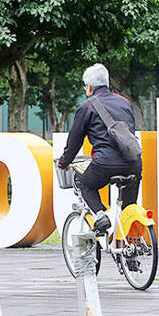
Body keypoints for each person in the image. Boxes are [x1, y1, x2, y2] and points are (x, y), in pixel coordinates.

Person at [57, 64, 142, 234]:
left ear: (89, 87)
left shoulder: (87, 106)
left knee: (85, 184)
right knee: (128, 209)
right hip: (133, 162)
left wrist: (64, 162)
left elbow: (75, 139)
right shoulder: (125, 102)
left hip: (105, 164)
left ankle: (101, 215)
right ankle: (132, 249)